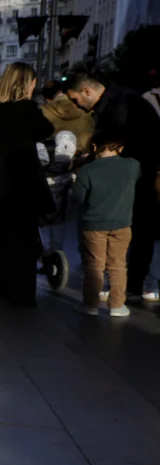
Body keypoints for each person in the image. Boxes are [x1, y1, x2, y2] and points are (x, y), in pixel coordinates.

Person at [65, 72, 160, 297]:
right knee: (137, 231)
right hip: (137, 175)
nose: (76, 106)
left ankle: (130, 283)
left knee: (132, 230)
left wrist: (90, 162)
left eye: (75, 100)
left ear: (87, 91)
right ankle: (132, 282)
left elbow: (115, 146)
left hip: (136, 178)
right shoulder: (121, 100)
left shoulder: (119, 106)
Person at [0, 63, 55, 306]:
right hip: (23, 186)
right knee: (23, 243)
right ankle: (20, 294)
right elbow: (46, 130)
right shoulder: (28, 110)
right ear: (26, 84)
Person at [72, 132, 139, 317]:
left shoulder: (87, 171)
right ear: (121, 148)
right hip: (122, 224)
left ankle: (91, 305)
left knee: (95, 265)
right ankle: (117, 305)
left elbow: (78, 198)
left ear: (94, 147)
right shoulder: (132, 166)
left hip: (93, 225)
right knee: (118, 265)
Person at [40, 80, 94, 154]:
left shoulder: (42, 112)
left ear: (47, 99)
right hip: (86, 154)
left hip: (58, 157)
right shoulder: (87, 106)